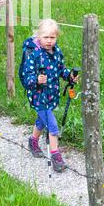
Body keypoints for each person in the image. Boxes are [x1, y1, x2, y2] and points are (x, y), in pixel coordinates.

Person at [20, 18, 79, 172]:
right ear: (39, 37)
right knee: (52, 126)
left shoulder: (56, 52)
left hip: (52, 94)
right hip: (39, 96)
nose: (49, 41)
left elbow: (61, 69)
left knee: (42, 120)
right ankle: (56, 156)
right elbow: (27, 78)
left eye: (52, 37)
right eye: (46, 37)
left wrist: (69, 76)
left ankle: (33, 141)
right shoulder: (34, 55)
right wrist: (36, 80)